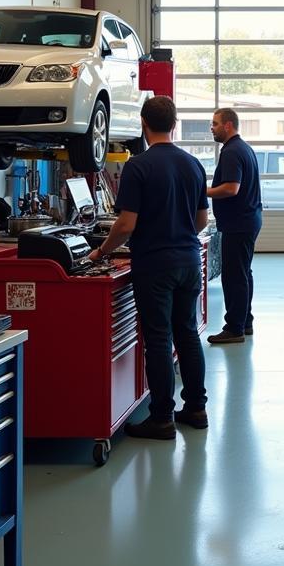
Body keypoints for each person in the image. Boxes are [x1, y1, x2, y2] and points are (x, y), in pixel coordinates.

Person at [88, 96, 209, 438]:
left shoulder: (138, 166)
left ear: (143, 124)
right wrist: (178, 233)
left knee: (158, 338)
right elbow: (201, 219)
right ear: (174, 124)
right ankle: (196, 409)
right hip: (188, 259)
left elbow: (126, 224)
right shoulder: (194, 165)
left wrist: (100, 252)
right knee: (187, 334)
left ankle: (161, 418)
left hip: (155, 264)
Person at [207, 108, 262, 345]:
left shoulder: (231, 152)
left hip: (238, 223)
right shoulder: (244, 148)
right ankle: (245, 321)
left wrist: (202, 192)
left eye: (215, 124)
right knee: (243, 273)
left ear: (228, 125)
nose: (212, 128)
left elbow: (231, 188)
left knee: (233, 276)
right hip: (248, 220)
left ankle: (234, 327)